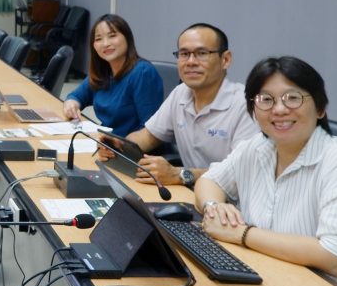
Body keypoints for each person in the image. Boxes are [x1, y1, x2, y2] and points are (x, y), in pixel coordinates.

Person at [195, 56, 337, 286]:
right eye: (266, 100)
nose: (280, 109)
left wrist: (242, 234)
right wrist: (214, 207)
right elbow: (209, 180)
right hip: (272, 285)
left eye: (293, 98)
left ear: (320, 108)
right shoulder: (257, 148)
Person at [96, 23, 257, 186]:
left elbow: (240, 173)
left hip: (232, 203)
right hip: (191, 193)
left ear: (225, 59)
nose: (191, 62)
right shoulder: (181, 93)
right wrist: (120, 147)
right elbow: (147, 137)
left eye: (201, 53)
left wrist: (180, 174)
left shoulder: (245, 106)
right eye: (184, 54)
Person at [62, 14, 163, 138]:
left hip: (133, 150)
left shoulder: (142, 73)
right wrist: (71, 103)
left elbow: (150, 131)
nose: (105, 44)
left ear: (127, 38)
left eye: (112, 36)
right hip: (107, 143)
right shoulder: (103, 71)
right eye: (98, 39)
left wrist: (120, 147)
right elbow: (76, 96)